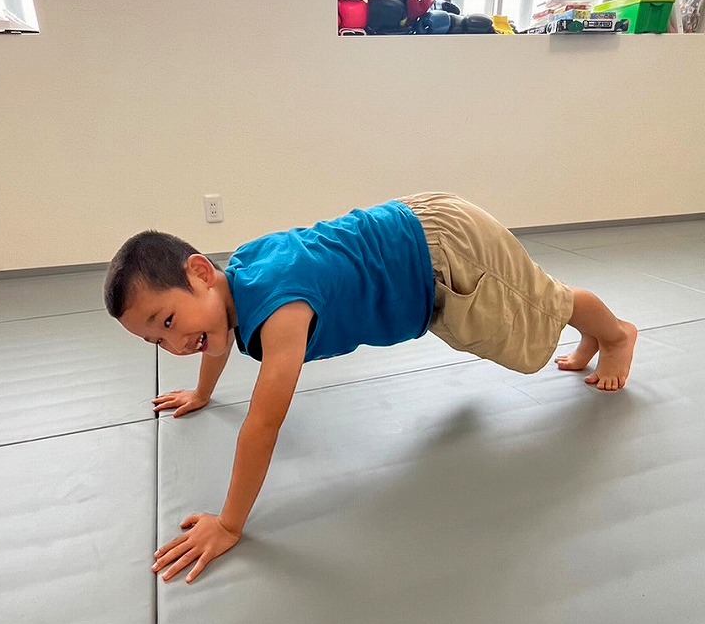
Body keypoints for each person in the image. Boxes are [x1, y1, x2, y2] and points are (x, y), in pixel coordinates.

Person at [104, 192, 637, 584]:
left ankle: (615, 335)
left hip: (445, 249)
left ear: (200, 273)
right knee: (527, 319)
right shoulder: (230, 283)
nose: (175, 344)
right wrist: (202, 394)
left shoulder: (281, 311)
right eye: (157, 341)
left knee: (537, 317)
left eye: (168, 322)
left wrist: (228, 524)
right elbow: (210, 340)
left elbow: (263, 424)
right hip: (420, 244)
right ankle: (593, 331)